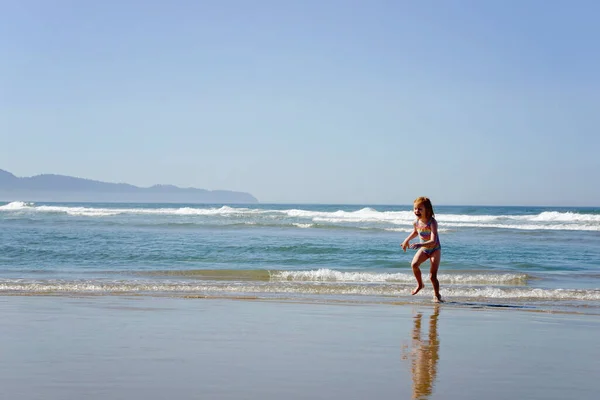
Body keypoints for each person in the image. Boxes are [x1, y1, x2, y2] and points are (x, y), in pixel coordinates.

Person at [401, 197, 443, 302]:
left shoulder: (432, 222)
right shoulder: (416, 222)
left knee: (432, 276)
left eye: (420, 209)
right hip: (424, 249)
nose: (416, 211)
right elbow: (416, 232)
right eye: (415, 208)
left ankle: (437, 295)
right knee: (414, 265)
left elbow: (433, 240)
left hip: (435, 250)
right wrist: (406, 240)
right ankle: (420, 284)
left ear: (427, 210)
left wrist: (420, 244)